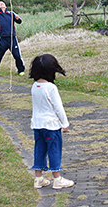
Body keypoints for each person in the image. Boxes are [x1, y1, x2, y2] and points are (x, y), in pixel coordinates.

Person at [29, 54, 75, 190]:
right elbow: (58, 108)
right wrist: (65, 123)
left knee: (39, 150)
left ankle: (38, 178)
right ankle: (57, 179)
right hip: (51, 126)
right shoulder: (51, 88)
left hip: (37, 125)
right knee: (54, 150)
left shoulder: (35, 86)